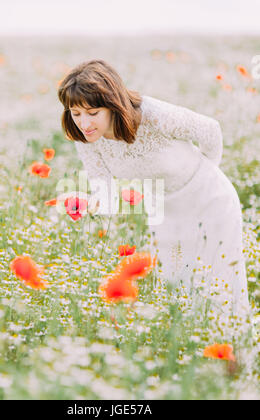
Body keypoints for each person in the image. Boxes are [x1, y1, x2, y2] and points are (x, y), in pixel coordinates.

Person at [58, 59, 250, 321]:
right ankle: (194, 358)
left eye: (92, 113)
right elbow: (104, 192)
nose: (84, 123)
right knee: (177, 292)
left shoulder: (151, 113)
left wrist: (208, 176)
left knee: (220, 288)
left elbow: (210, 131)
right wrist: (87, 202)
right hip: (165, 210)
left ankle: (234, 356)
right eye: (75, 113)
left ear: (112, 105)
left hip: (210, 201)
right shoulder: (86, 138)